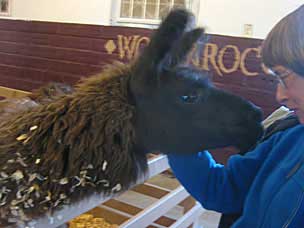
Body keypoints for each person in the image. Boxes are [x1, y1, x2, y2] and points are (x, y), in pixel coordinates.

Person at [167, 5, 304, 228]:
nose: (280, 96)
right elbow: (223, 190)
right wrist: (177, 135)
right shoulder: (288, 137)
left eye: (284, 77)